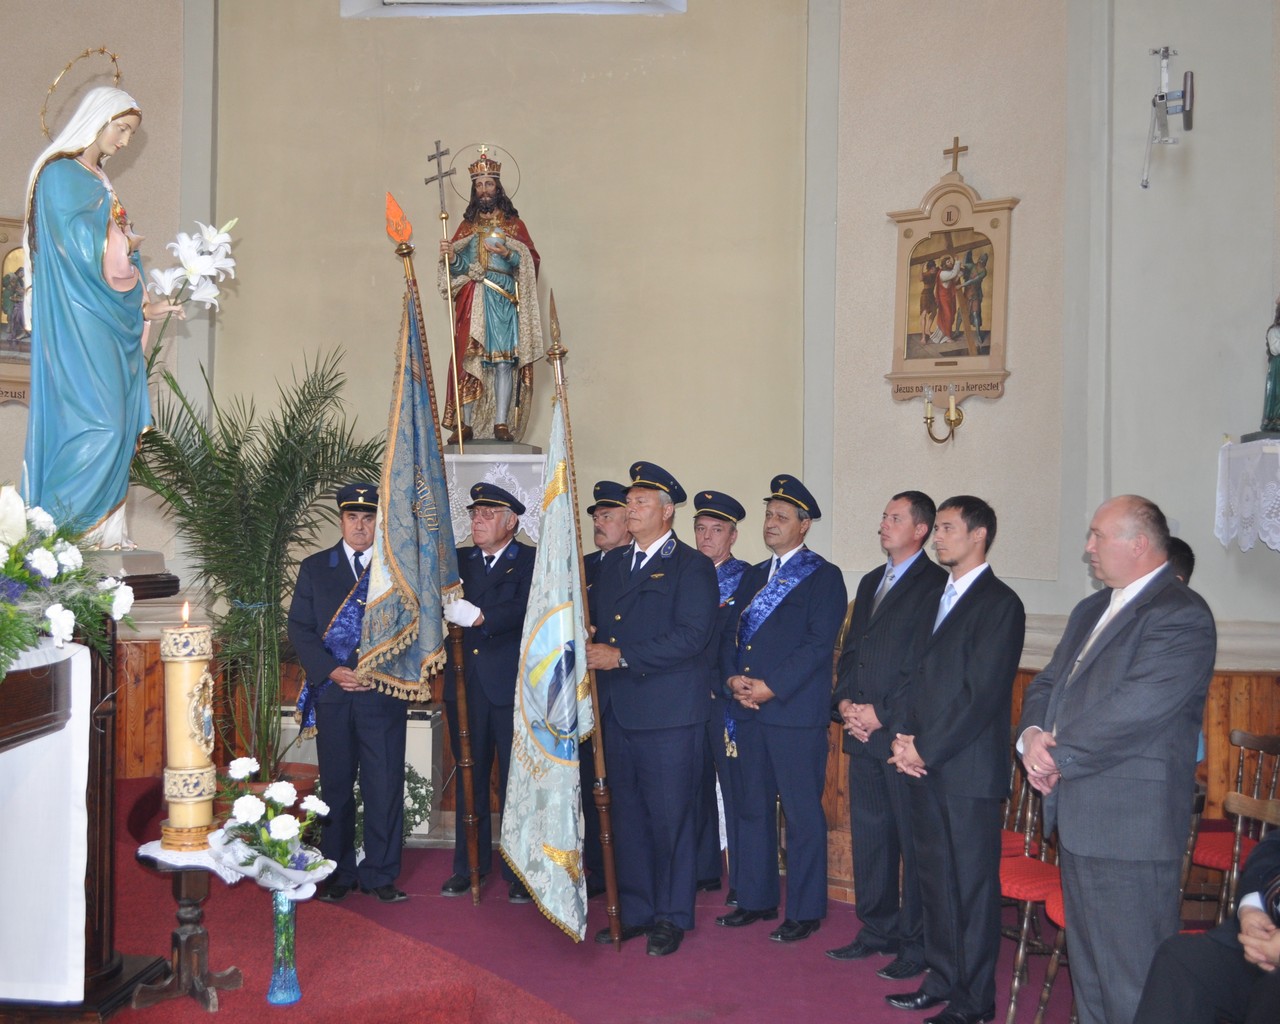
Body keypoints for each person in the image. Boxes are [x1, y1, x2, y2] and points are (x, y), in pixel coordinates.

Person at [1017, 495, 1216, 1024]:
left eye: (1098, 536)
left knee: (1132, 981)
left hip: (1131, 826)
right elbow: (1048, 683)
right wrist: (1031, 736)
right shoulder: (1091, 609)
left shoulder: (1181, 614)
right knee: (1090, 976)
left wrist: (1057, 756)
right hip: (1080, 815)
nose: (1088, 547)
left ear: (1139, 543)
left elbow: (1137, 709)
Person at [21, 86, 184, 547]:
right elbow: (72, 244)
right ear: (98, 118)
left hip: (109, 317)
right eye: (122, 129)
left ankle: (103, 534)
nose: (125, 141)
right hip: (77, 317)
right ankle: (61, 536)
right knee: (101, 425)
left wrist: (145, 305)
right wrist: (119, 242)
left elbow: (119, 257)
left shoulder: (99, 180)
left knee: (118, 423)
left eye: (131, 133)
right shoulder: (59, 173)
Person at [884, 495, 1025, 1024]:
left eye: (946, 528)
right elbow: (910, 676)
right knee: (936, 883)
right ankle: (942, 977)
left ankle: (974, 1000)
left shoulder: (1001, 604)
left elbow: (980, 695)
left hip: (966, 772)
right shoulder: (934, 597)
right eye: (937, 528)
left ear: (979, 535)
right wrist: (902, 739)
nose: (937, 537)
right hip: (922, 762)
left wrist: (925, 747)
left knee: (970, 889)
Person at [585, 461, 719, 957]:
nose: (631, 509)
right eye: (629, 502)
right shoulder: (614, 564)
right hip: (617, 710)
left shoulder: (691, 566)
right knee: (628, 818)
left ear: (667, 512)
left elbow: (692, 636)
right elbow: (607, 626)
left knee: (670, 819)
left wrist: (620, 656)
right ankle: (638, 910)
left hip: (668, 714)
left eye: (640, 502)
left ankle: (672, 916)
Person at [718, 476, 847, 944]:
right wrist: (732, 679)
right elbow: (729, 634)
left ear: (804, 525)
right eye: (769, 515)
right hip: (747, 710)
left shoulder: (823, 576)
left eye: (781, 517)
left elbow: (817, 645)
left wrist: (771, 687)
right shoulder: (754, 575)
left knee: (801, 814)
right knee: (752, 809)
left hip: (792, 715)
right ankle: (755, 898)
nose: (771, 523)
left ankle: (805, 910)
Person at [827, 491, 946, 980]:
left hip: (902, 737)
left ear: (920, 529)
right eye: (883, 516)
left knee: (912, 845)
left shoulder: (936, 584)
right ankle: (877, 929)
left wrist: (884, 713)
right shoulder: (871, 579)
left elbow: (925, 666)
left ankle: (915, 943)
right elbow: (852, 651)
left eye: (895, 518)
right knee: (871, 838)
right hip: (861, 731)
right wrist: (844, 704)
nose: (884, 524)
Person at [289, 484, 410, 904]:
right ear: (341, 520)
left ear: (379, 522)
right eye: (352, 517)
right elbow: (299, 628)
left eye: (368, 517)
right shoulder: (315, 567)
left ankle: (380, 873)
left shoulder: (395, 571)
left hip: (381, 693)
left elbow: (410, 629)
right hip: (334, 694)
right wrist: (332, 670)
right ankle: (337, 872)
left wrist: (379, 671)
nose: (360, 526)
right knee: (337, 786)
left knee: (384, 785)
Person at [439, 482, 536, 902]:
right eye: (474, 514)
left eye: (487, 514)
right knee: (469, 777)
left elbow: (530, 607)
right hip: (465, 684)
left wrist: (482, 617)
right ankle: (468, 866)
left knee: (517, 781)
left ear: (511, 522)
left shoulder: (530, 560)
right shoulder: (457, 561)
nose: (477, 520)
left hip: (510, 685)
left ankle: (520, 871)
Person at [438, 146, 541, 445]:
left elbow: (529, 261)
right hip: (473, 298)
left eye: (489, 184)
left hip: (502, 298)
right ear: (474, 191)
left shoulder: (514, 225)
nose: (484, 190)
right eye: (479, 185)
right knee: (470, 358)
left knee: (503, 362)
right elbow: (458, 268)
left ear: (498, 188)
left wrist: (507, 253)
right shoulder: (466, 227)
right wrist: (451, 257)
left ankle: (501, 422)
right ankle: (466, 423)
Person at [1134, 827, 1280, 1024]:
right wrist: (1252, 907)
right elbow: (1273, 847)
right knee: (1181, 959)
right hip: (1268, 932)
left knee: (1271, 992)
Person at [691, 489, 751, 903]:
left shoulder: (746, 578)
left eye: (716, 530)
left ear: (732, 536)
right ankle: (704, 869)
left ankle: (744, 880)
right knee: (694, 786)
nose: (707, 537)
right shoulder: (683, 573)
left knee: (735, 790)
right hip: (685, 696)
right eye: (700, 529)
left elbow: (740, 639)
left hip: (724, 697)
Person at [580, 478, 631, 897]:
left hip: (627, 690)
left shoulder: (637, 564)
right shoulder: (582, 566)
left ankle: (627, 872)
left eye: (607, 515)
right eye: (596, 516)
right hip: (585, 692)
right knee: (588, 782)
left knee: (623, 788)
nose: (599, 522)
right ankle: (597, 869)